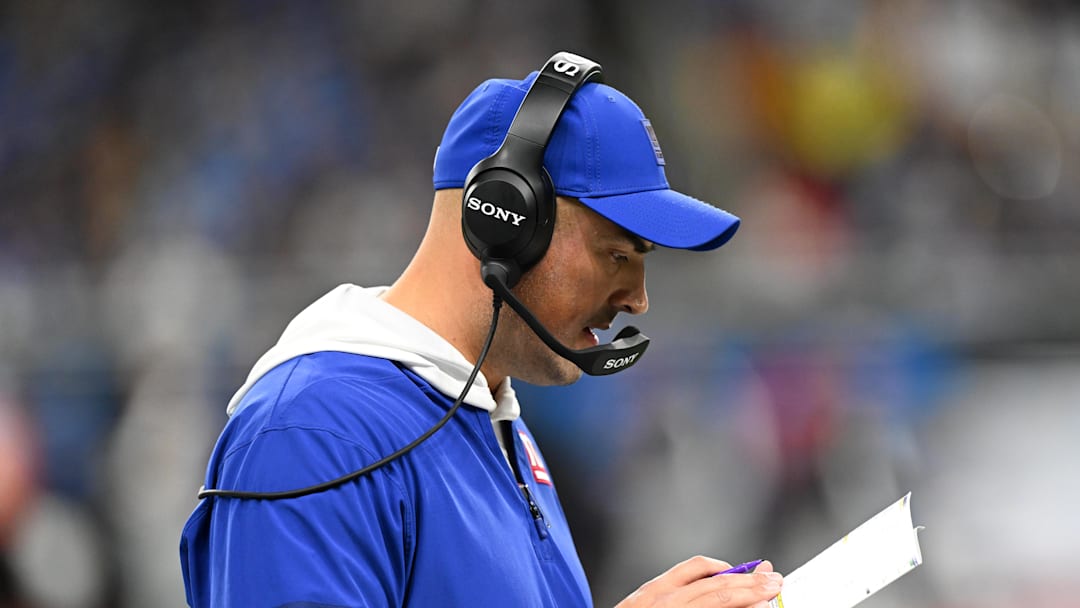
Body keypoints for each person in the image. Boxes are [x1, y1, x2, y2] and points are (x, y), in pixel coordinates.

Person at [180, 52, 783, 608]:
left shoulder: (491, 423)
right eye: (617, 254)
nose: (638, 300)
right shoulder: (314, 435)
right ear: (508, 220)